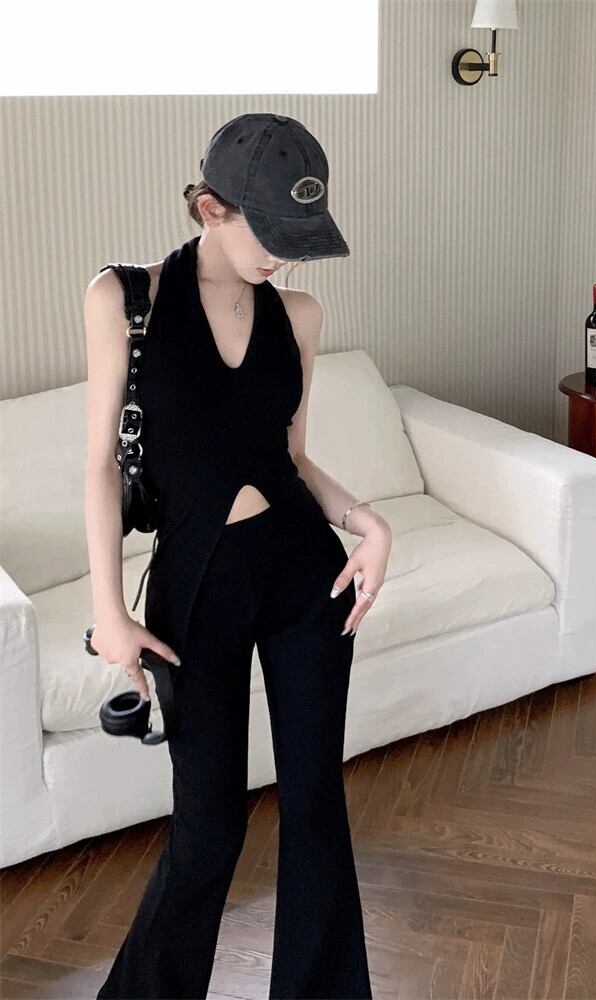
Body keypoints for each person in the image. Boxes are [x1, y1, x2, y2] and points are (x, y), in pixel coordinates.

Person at [84, 112, 389, 999]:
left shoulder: (300, 315)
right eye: (273, 234)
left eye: (301, 237)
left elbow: (290, 458)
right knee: (209, 829)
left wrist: (369, 524)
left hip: (305, 577)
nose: (284, 258)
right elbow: (99, 465)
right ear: (211, 207)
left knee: (316, 807)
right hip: (195, 588)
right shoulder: (126, 300)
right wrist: (109, 613)